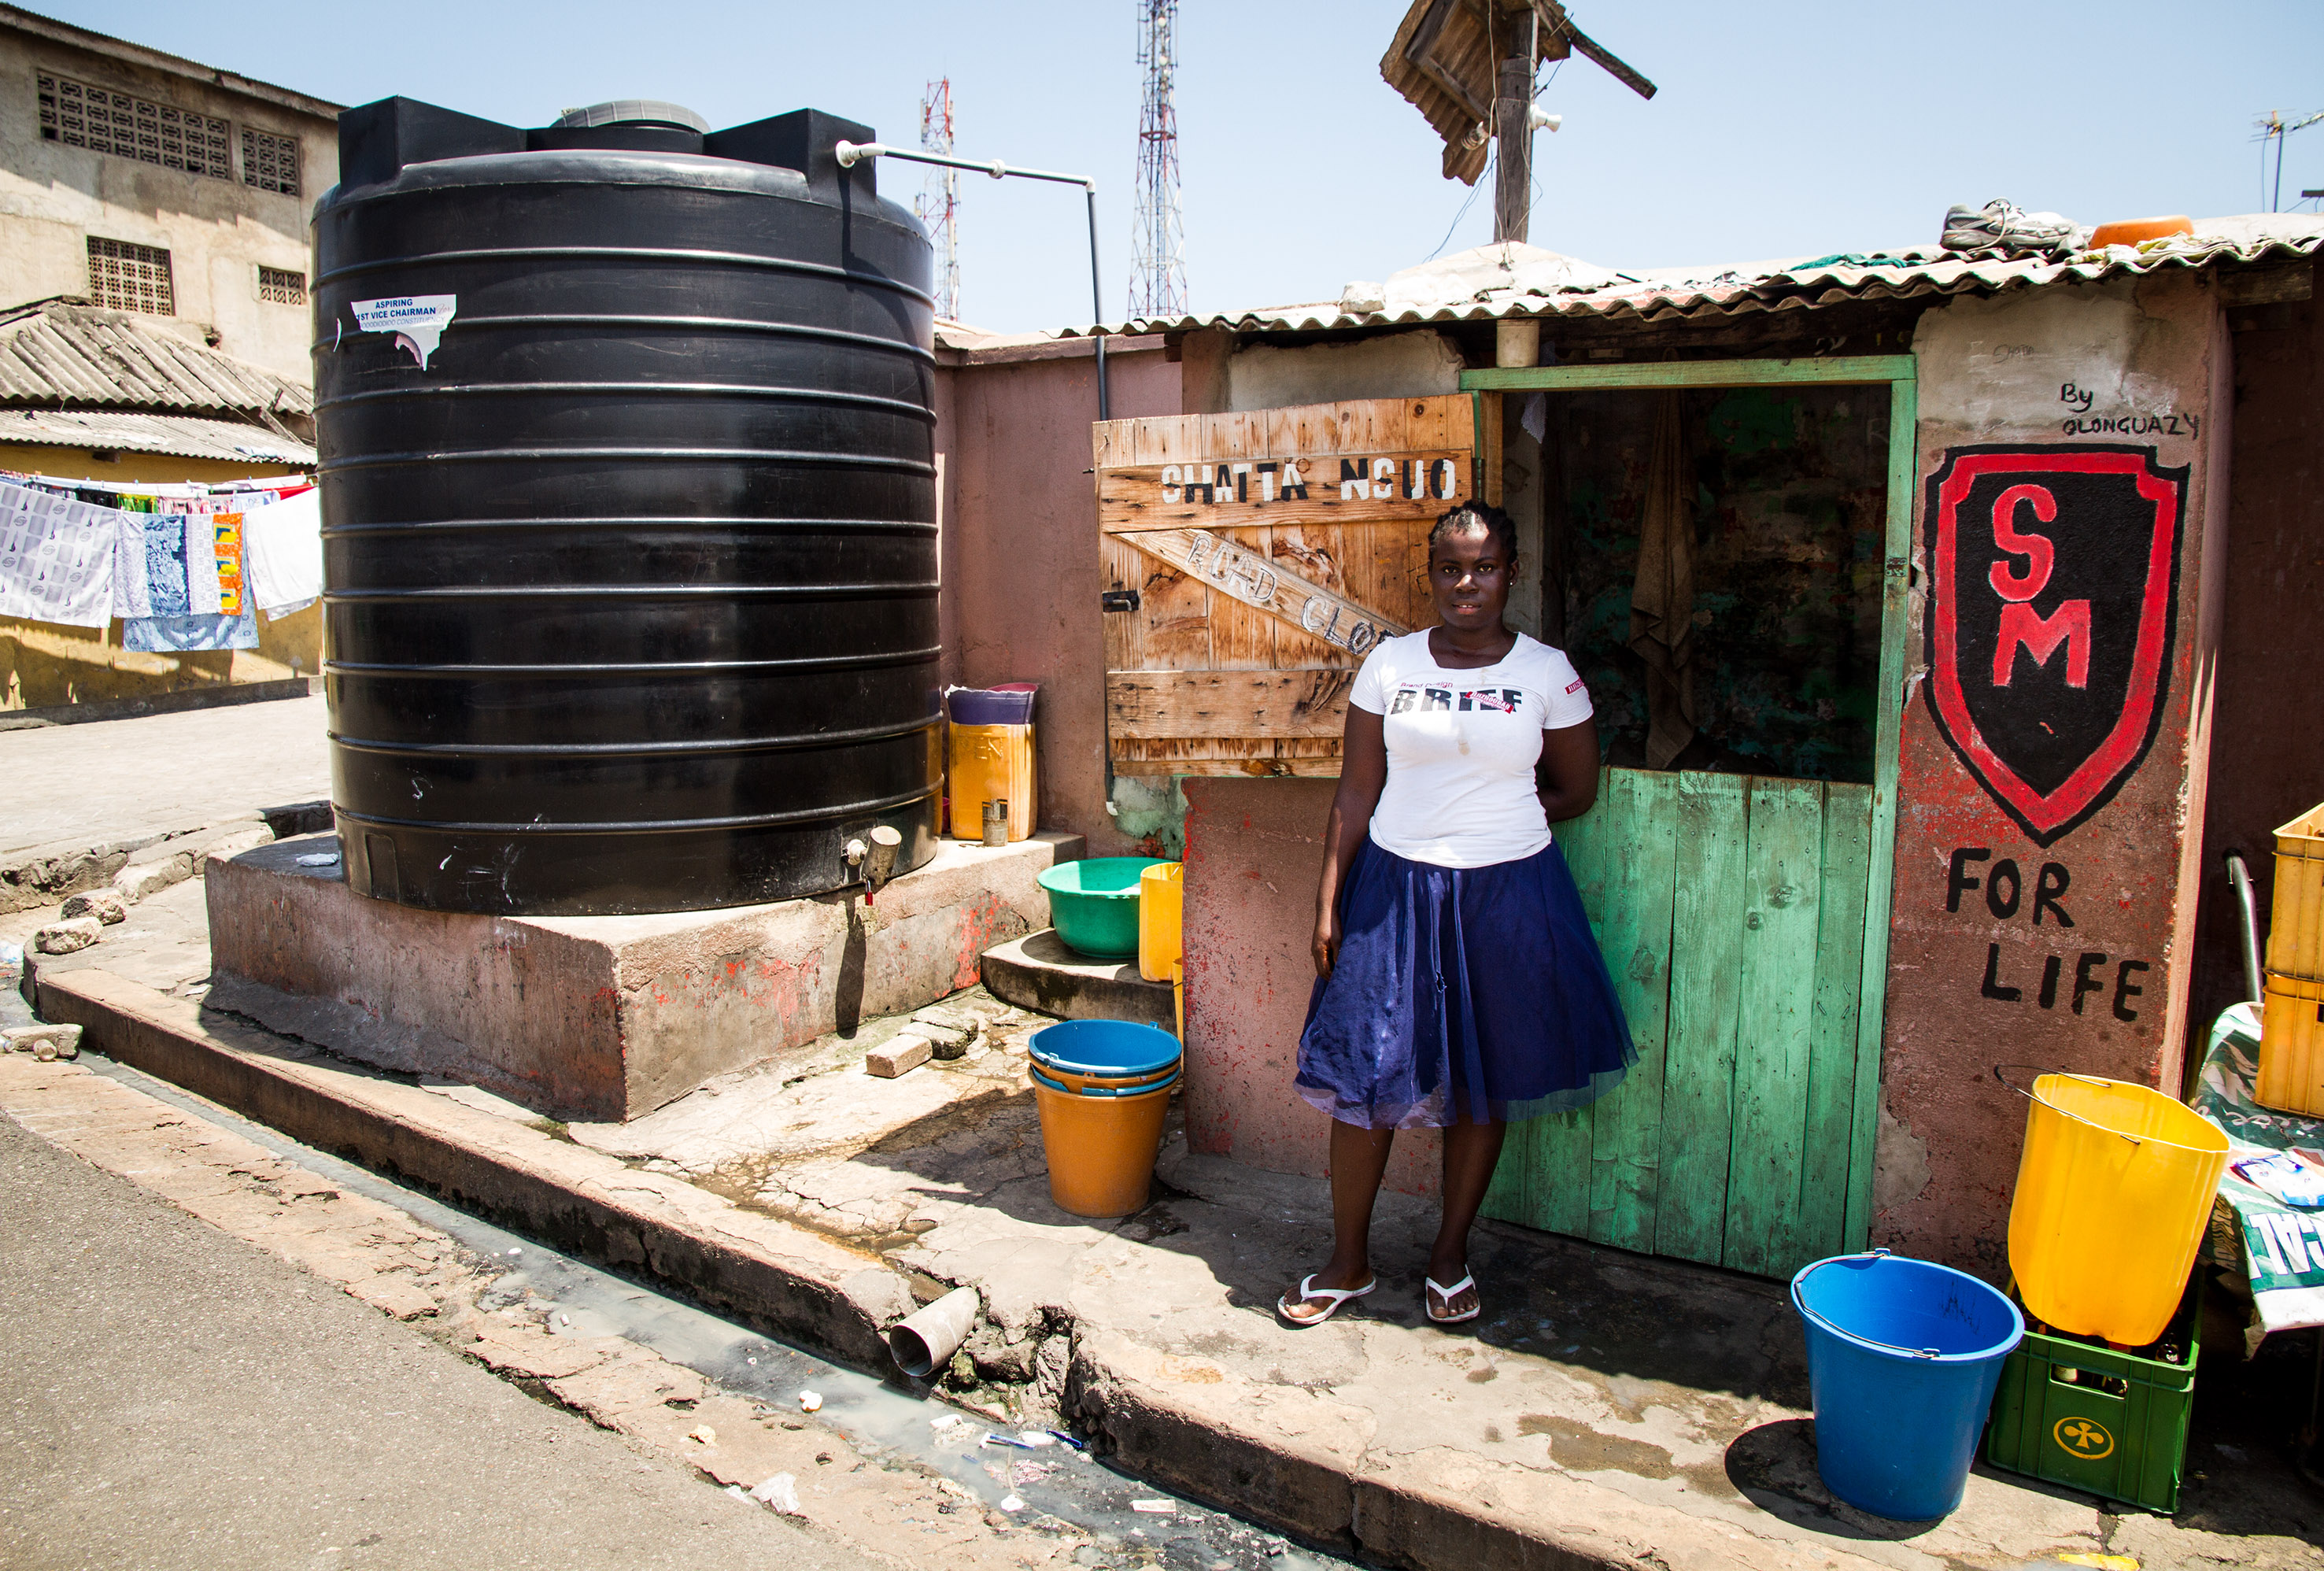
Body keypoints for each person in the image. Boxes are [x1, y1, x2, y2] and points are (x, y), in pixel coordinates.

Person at [1278, 501, 1634, 1329]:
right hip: (1393, 893)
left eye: (1483, 567)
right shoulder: (1391, 665)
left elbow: (1576, 790)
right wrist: (1329, 900)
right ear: (1430, 574)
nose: (1465, 583)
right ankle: (1348, 1260)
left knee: (1483, 1079)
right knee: (1364, 1074)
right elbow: (1357, 790)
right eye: (1449, 568)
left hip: (1509, 894)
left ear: (1510, 572)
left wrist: (1490, 817)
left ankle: (1448, 1255)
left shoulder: (1549, 672)